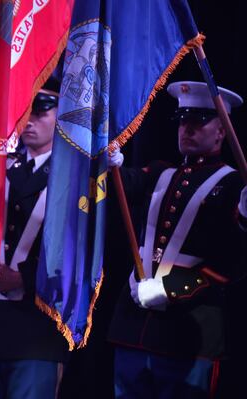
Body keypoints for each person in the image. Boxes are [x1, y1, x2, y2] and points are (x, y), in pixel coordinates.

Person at [107, 81, 247, 398]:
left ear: (222, 131)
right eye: (183, 120)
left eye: (199, 121)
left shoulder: (235, 185)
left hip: (189, 331)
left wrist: (170, 289)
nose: (187, 129)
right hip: (135, 328)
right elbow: (125, 184)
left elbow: (233, 262)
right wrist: (109, 163)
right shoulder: (160, 172)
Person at [0, 81, 69, 399]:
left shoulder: (73, 178)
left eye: (41, 111)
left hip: (35, 328)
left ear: (62, 115)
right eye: (25, 111)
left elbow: (77, 252)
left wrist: (26, 278)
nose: (29, 120)